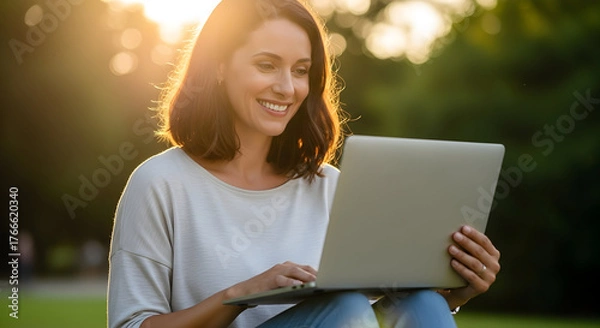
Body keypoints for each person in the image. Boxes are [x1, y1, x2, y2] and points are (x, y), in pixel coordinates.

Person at [107, 0, 501, 327]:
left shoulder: (330, 187)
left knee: (424, 304)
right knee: (346, 308)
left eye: (301, 71)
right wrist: (237, 296)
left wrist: (454, 292)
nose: (287, 87)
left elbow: (392, 303)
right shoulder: (160, 183)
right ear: (220, 66)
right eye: (266, 65)